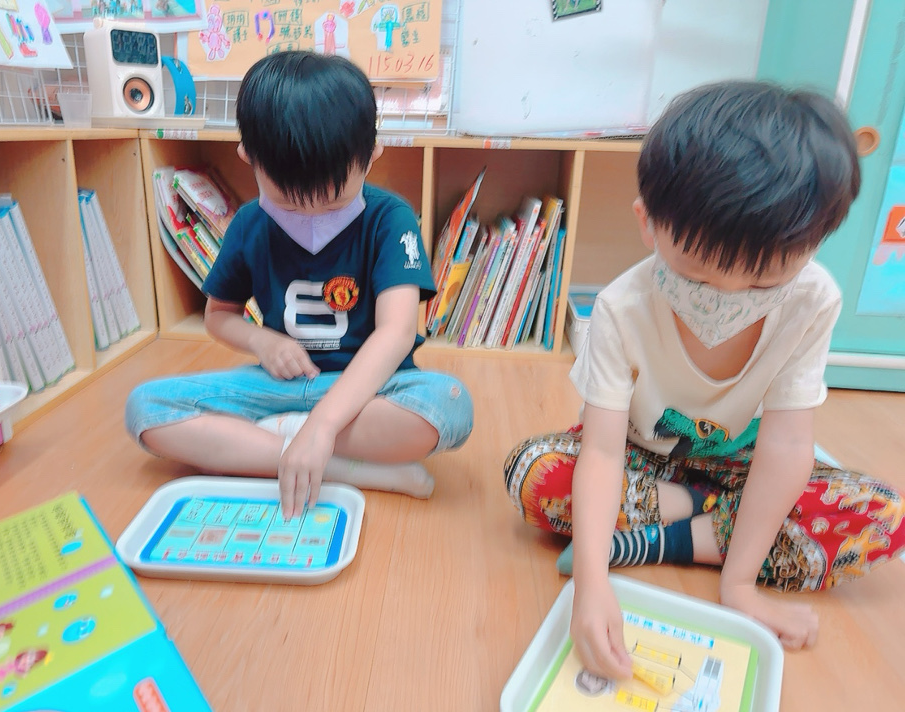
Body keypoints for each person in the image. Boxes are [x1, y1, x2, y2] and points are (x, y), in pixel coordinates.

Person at [504, 81, 905, 679]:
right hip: (642, 457)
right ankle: (712, 521)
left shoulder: (814, 299)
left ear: (813, 244)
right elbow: (604, 451)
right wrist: (590, 583)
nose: (729, 297)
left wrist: (740, 585)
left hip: (743, 464)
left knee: (883, 516)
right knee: (533, 472)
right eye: (697, 273)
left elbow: (787, 445)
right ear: (648, 223)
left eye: (764, 282)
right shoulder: (621, 307)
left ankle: (657, 540)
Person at [126, 50, 473, 516]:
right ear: (248, 157)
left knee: (448, 405)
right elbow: (218, 317)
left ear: (372, 154)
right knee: (146, 408)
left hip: (369, 392)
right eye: (289, 203)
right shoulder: (249, 223)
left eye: (332, 202)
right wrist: (262, 342)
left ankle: (271, 444)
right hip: (277, 388)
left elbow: (396, 333)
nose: (310, 217)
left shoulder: (391, 219)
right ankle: (342, 466)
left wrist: (323, 424)